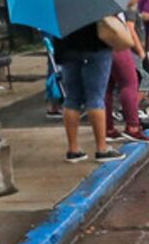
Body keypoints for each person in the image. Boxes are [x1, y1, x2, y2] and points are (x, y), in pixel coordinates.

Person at [55, 14, 138, 161]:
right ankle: (102, 148)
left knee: (72, 98)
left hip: (66, 46)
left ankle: (73, 149)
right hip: (95, 45)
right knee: (96, 97)